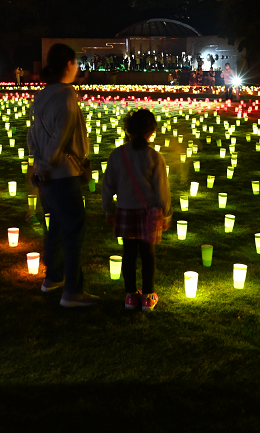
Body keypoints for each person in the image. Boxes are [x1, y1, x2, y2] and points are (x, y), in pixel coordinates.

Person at [27, 43, 97, 307]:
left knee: (55, 225)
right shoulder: (67, 94)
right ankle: (72, 291)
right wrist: (46, 165)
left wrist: (38, 165)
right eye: (76, 63)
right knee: (73, 229)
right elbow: (61, 133)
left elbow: (32, 133)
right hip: (61, 173)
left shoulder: (42, 94)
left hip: (45, 173)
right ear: (69, 65)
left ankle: (52, 278)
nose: (77, 67)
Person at [102, 109, 171, 312]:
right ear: (151, 132)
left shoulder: (117, 154)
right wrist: (165, 212)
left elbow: (108, 185)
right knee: (148, 254)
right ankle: (148, 297)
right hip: (148, 213)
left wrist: (108, 210)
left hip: (125, 210)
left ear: (129, 130)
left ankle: (131, 296)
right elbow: (162, 189)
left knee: (129, 254)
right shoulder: (155, 157)